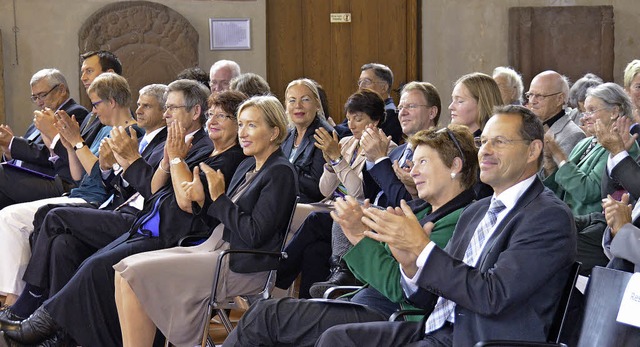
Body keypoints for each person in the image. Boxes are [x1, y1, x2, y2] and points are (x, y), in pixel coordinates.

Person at [0, 81, 245, 347]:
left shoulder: (209, 151)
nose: (165, 113)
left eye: (171, 107)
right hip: (147, 220)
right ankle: (61, 336)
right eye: (213, 115)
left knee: (88, 258)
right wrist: (131, 162)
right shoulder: (192, 145)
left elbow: (184, 201)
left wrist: (158, 160)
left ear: (194, 111)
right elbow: (153, 188)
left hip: (172, 234)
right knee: (64, 245)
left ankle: (39, 315)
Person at [313, 105, 576, 346]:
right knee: (338, 339)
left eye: (500, 141)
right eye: (483, 141)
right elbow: (427, 297)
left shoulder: (547, 217)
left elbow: (493, 295)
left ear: (533, 150)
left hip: (479, 339)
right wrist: (410, 264)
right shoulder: (477, 211)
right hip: (437, 329)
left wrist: (422, 248)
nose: (485, 150)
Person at [224, 124, 479, 347]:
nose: (412, 172)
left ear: (455, 165)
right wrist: (363, 230)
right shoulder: (420, 210)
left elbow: (402, 290)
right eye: (413, 162)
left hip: (390, 314)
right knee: (268, 322)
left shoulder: (457, 221)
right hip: (363, 301)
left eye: (423, 162)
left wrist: (359, 237)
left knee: (267, 315)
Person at [112, 95, 297, 347]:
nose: (243, 132)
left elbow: (254, 234)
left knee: (135, 273)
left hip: (241, 264)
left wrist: (219, 198)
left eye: (252, 125)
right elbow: (223, 215)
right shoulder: (248, 166)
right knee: (123, 270)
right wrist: (202, 200)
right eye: (241, 124)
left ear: (275, 131)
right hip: (215, 247)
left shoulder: (280, 172)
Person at [0, 84, 168, 325]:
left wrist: (77, 144)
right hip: (106, 201)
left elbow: (110, 184)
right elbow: (94, 177)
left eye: (146, 105)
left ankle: (29, 297)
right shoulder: (110, 130)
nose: (138, 109)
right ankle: (56, 324)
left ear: (111, 102)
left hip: (113, 208)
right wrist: (70, 145)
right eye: (139, 104)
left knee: (46, 215)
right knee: (61, 243)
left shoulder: (136, 136)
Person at [275, 89, 396, 298]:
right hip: (332, 205)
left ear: (374, 121)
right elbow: (325, 189)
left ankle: (277, 272)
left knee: (312, 220)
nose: (351, 125)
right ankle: (308, 306)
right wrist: (331, 164)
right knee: (315, 251)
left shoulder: (387, 149)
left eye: (358, 119)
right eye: (349, 119)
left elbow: (358, 193)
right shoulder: (346, 142)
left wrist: (338, 160)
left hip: (355, 213)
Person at [544, 82, 639, 216]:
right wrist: (549, 163)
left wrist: (559, 156)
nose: (584, 117)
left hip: (591, 228)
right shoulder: (586, 142)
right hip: (564, 218)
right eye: (584, 112)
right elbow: (560, 188)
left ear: (614, 112)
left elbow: (588, 191)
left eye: (592, 110)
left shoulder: (623, 145)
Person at [0, 68, 88, 209]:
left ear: (61, 90)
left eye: (42, 95)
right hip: (29, 178)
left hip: (56, 181)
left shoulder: (74, 114)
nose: (39, 102)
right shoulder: (40, 119)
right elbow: (29, 152)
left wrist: (13, 143)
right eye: (34, 97)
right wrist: (8, 152)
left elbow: (51, 154)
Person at [281, 78, 334, 203]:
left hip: (307, 205)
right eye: (292, 100)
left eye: (305, 100)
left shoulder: (324, 134)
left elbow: (316, 188)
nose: (298, 106)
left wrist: (282, 172)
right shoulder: (287, 134)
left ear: (317, 104)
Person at [334, 63, 403, 144]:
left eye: (366, 82)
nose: (361, 87)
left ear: (384, 87)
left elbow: (347, 134)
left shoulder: (391, 114)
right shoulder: (359, 107)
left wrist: (334, 129)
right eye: (360, 82)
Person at [526, 70, 585, 158]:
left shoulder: (573, 135)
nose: (532, 101)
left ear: (559, 99)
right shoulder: (529, 127)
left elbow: (560, 171)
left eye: (539, 96)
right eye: (530, 95)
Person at [449, 72, 504, 138]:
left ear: (482, 104)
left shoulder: (494, 145)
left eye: (460, 101)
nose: (450, 107)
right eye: (453, 100)